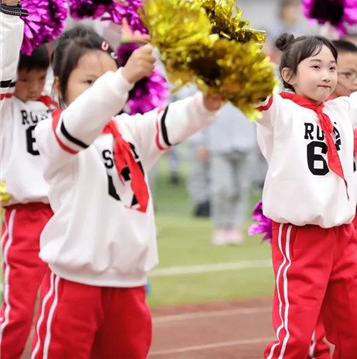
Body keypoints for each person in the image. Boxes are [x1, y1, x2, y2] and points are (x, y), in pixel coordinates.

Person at [31, 25, 223, 357]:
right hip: (75, 283)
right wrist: (120, 79)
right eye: (89, 82)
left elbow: (170, 120)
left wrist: (206, 103)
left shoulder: (129, 129)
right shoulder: (52, 133)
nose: (102, 90)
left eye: (107, 79)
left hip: (129, 284)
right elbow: (78, 123)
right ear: (59, 86)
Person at [257, 32, 357, 358]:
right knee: (295, 339)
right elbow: (254, 93)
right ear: (289, 75)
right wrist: (240, 51)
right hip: (300, 238)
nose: (327, 75)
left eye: (332, 68)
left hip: (343, 237)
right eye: (316, 66)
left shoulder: (341, 110)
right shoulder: (278, 112)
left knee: (356, 335)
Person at [0, 0, 57, 358]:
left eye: (40, 79)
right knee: (19, 311)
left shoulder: (54, 103)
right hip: (23, 218)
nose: (33, 88)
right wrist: (10, 8)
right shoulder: (6, 109)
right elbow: (5, 67)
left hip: (64, 213)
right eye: (26, 81)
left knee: (62, 306)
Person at [207, 103, 256, 245]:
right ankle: (221, 225)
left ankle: (235, 226)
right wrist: (201, 142)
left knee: (241, 188)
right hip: (219, 144)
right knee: (222, 188)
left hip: (246, 144)